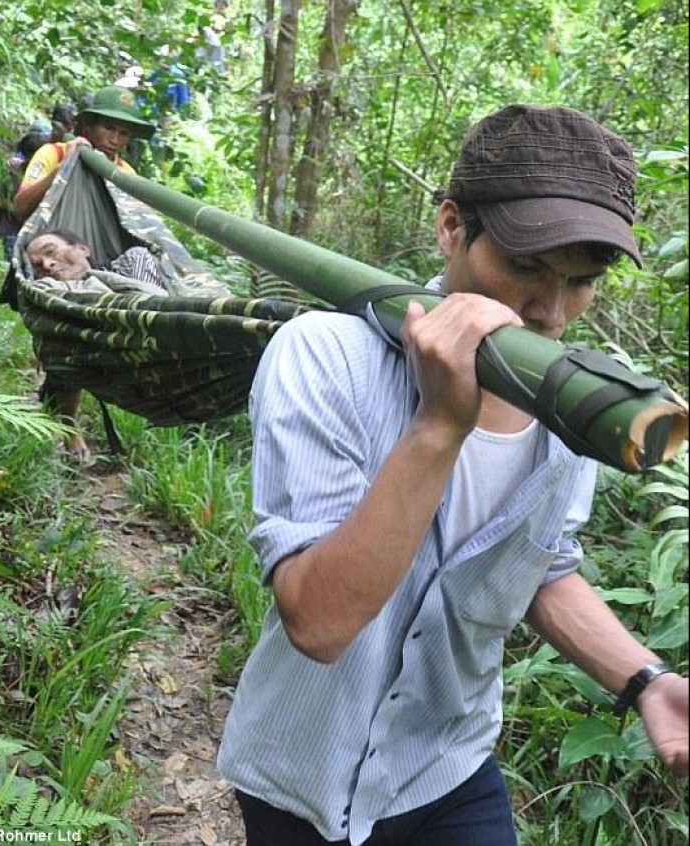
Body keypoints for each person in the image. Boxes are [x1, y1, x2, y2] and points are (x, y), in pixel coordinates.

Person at [217, 104, 689, 845]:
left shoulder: (577, 406)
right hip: (300, 770)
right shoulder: (326, 355)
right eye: (525, 267)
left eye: (581, 281)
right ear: (450, 227)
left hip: (445, 766)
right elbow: (318, 620)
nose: (549, 312)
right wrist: (439, 424)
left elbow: (538, 567)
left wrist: (645, 681)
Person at [24, 228, 165, 463]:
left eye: (51, 252)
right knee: (56, 335)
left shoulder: (129, 263)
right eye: (38, 266)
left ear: (83, 249)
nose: (47, 265)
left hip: (154, 333)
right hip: (90, 348)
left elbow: (155, 302)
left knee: (138, 255)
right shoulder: (48, 293)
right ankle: (70, 426)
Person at [12, 85, 156, 224]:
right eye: (108, 128)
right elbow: (20, 209)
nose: (115, 140)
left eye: (123, 133)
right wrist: (63, 168)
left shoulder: (125, 173)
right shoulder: (55, 153)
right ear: (89, 126)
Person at [0, 122, 51, 262]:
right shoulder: (14, 174)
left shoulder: (34, 174)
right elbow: (2, 200)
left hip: (26, 231)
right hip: (13, 229)